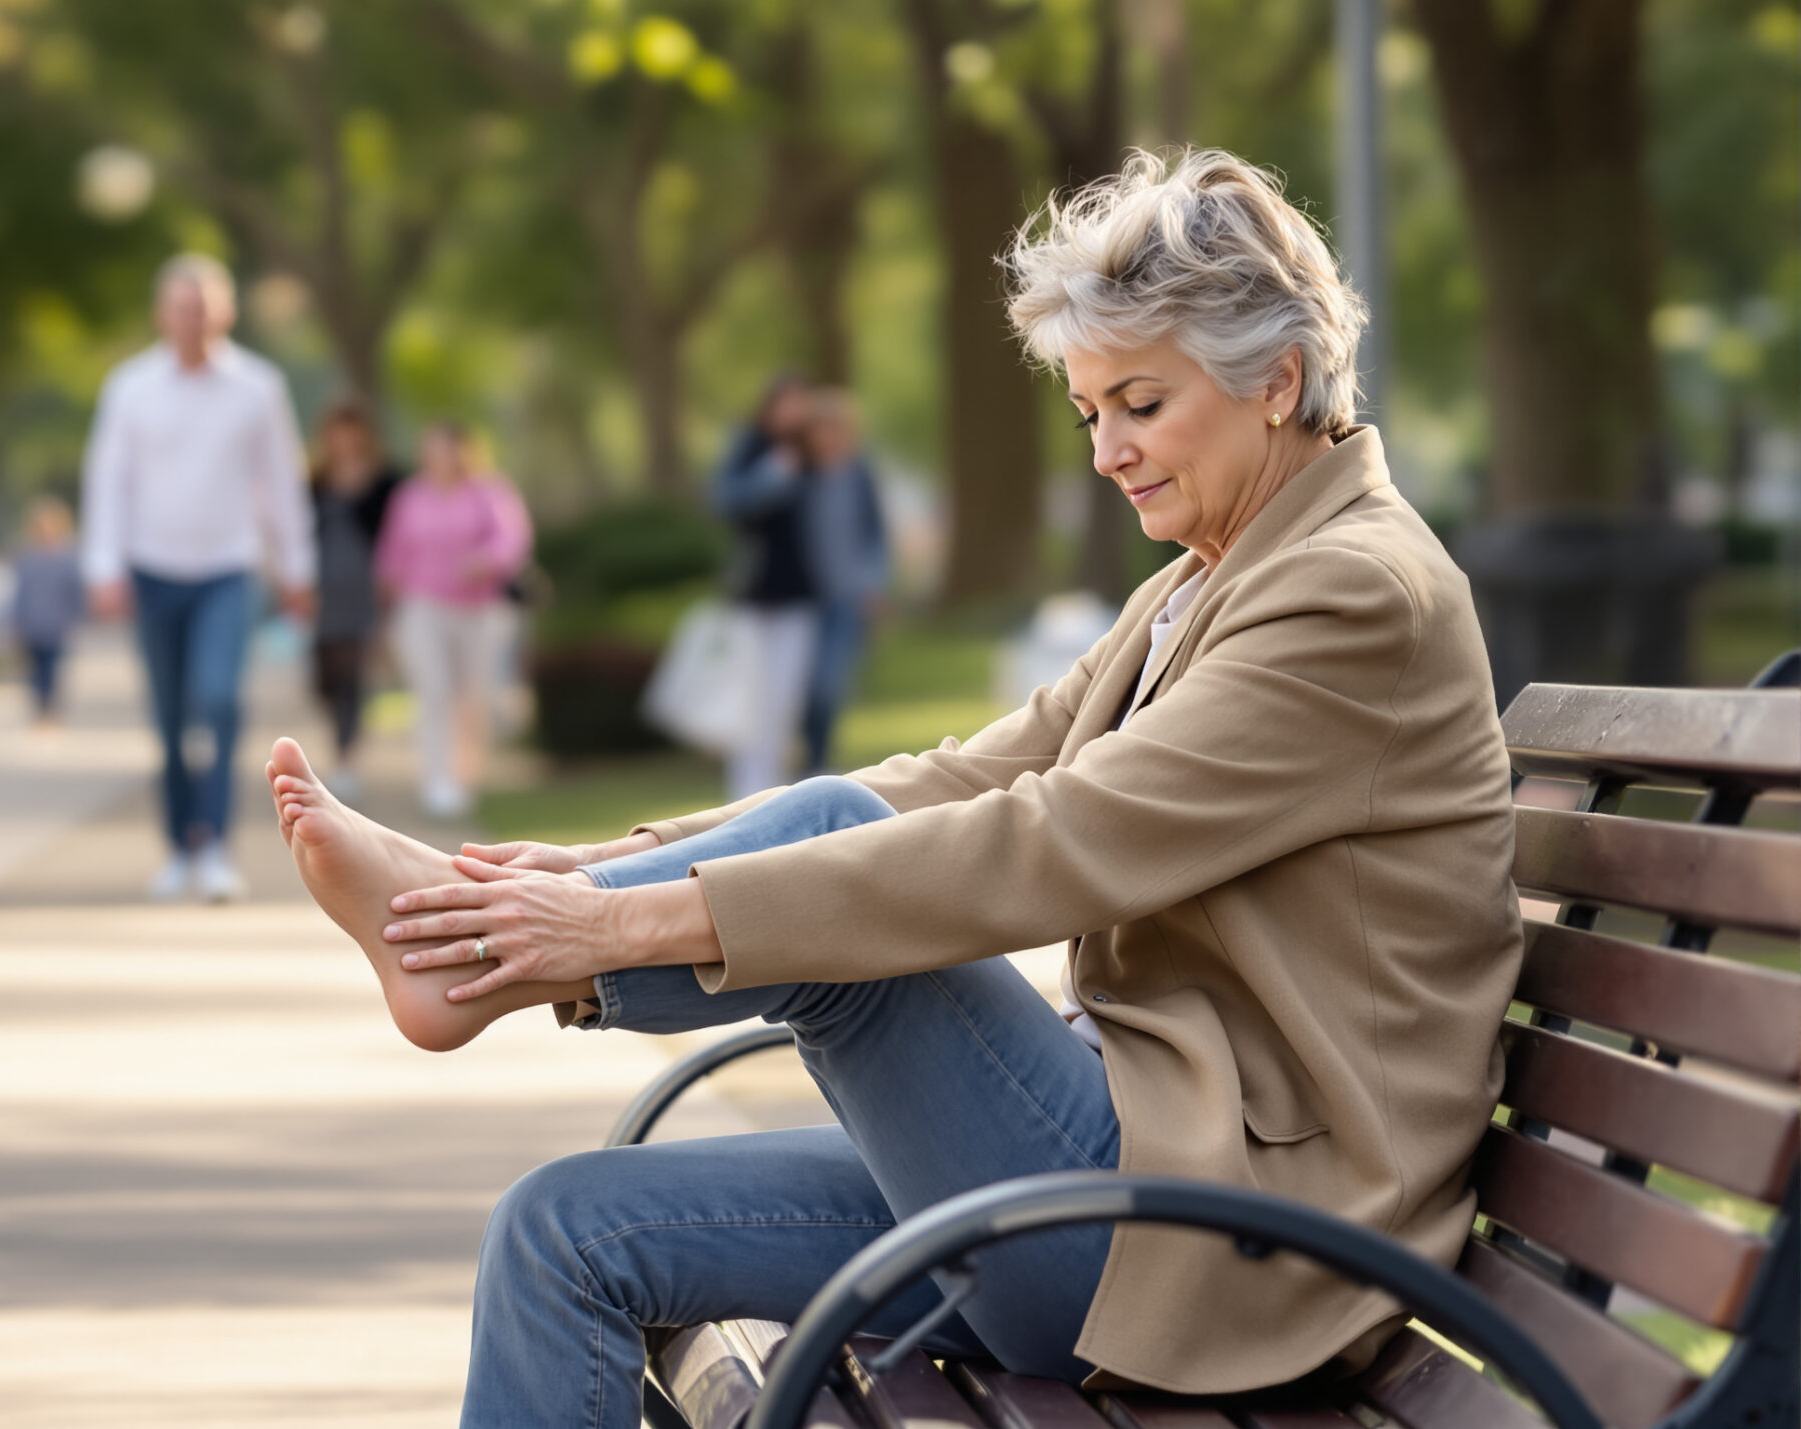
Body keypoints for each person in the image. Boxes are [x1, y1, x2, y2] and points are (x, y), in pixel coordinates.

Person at [265, 149, 1522, 1424]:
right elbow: (971, 771)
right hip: (1120, 1180)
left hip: (1231, 1248)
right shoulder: (1214, 572)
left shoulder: (1354, 592)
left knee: (827, 842)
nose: (1107, 452)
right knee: (558, 1233)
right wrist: (588, 867)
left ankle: (485, 960)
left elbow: (1055, 841)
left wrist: (608, 925)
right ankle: (495, 945)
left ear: (1278, 381)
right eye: (1090, 414)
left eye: (1140, 404)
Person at [81, 253, 315, 903]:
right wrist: (103, 564)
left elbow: (281, 482)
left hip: (228, 568)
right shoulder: (129, 386)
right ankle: (177, 846)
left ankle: (214, 845)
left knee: (217, 698)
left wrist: (297, 565)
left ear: (226, 311)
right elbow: (109, 480)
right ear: (163, 314)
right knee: (167, 715)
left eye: (205, 306)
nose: (194, 318)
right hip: (152, 569)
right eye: (183, 307)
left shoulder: (257, 386)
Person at [372, 421, 534, 820]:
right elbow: (392, 551)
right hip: (422, 607)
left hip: (479, 611)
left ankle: (466, 776)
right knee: (434, 690)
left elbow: (512, 539)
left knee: (473, 695)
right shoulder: (410, 496)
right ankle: (436, 779)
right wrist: (386, 598)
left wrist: (488, 561)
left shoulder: (489, 491)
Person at [712, 376, 820, 798]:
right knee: (752, 701)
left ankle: (775, 789)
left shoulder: (813, 454)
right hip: (755, 597)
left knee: (786, 700)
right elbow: (727, 501)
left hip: (801, 596)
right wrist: (774, 475)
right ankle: (745, 792)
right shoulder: (753, 448)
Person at [305, 398, 405, 801]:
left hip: (366, 588)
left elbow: (399, 535)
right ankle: (340, 735)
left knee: (353, 673)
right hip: (323, 589)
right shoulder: (314, 481)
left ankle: (346, 754)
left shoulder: (386, 481)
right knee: (324, 677)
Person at [794, 388, 891, 776]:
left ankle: (818, 758)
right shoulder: (799, 475)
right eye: (821, 429)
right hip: (804, 599)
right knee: (800, 685)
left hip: (846, 597)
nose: (828, 437)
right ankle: (806, 754)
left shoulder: (858, 473)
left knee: (829, 683)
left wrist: (874, 584)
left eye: (835, 428)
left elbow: (876, 533)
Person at [10, 495, 84, 727]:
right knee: (34, 672)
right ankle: (40, 709)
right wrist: (14, 621)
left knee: (53, 670)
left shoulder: (67, 560)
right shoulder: (27, 558)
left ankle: (50, 711)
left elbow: (75, 593)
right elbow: (19, 593)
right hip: (32, 626)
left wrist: (75, 618)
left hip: (56, 627)